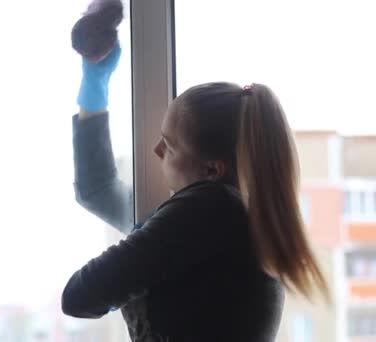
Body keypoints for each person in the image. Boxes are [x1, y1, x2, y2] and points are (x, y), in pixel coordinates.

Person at [61, 42, 330, 341]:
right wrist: (94, 88)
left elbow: (80, 295)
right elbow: (99, 191)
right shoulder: (231, 218)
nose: (156, 150)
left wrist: (95, 82)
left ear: (213, 170)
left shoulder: (211, 208)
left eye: (170, 145)